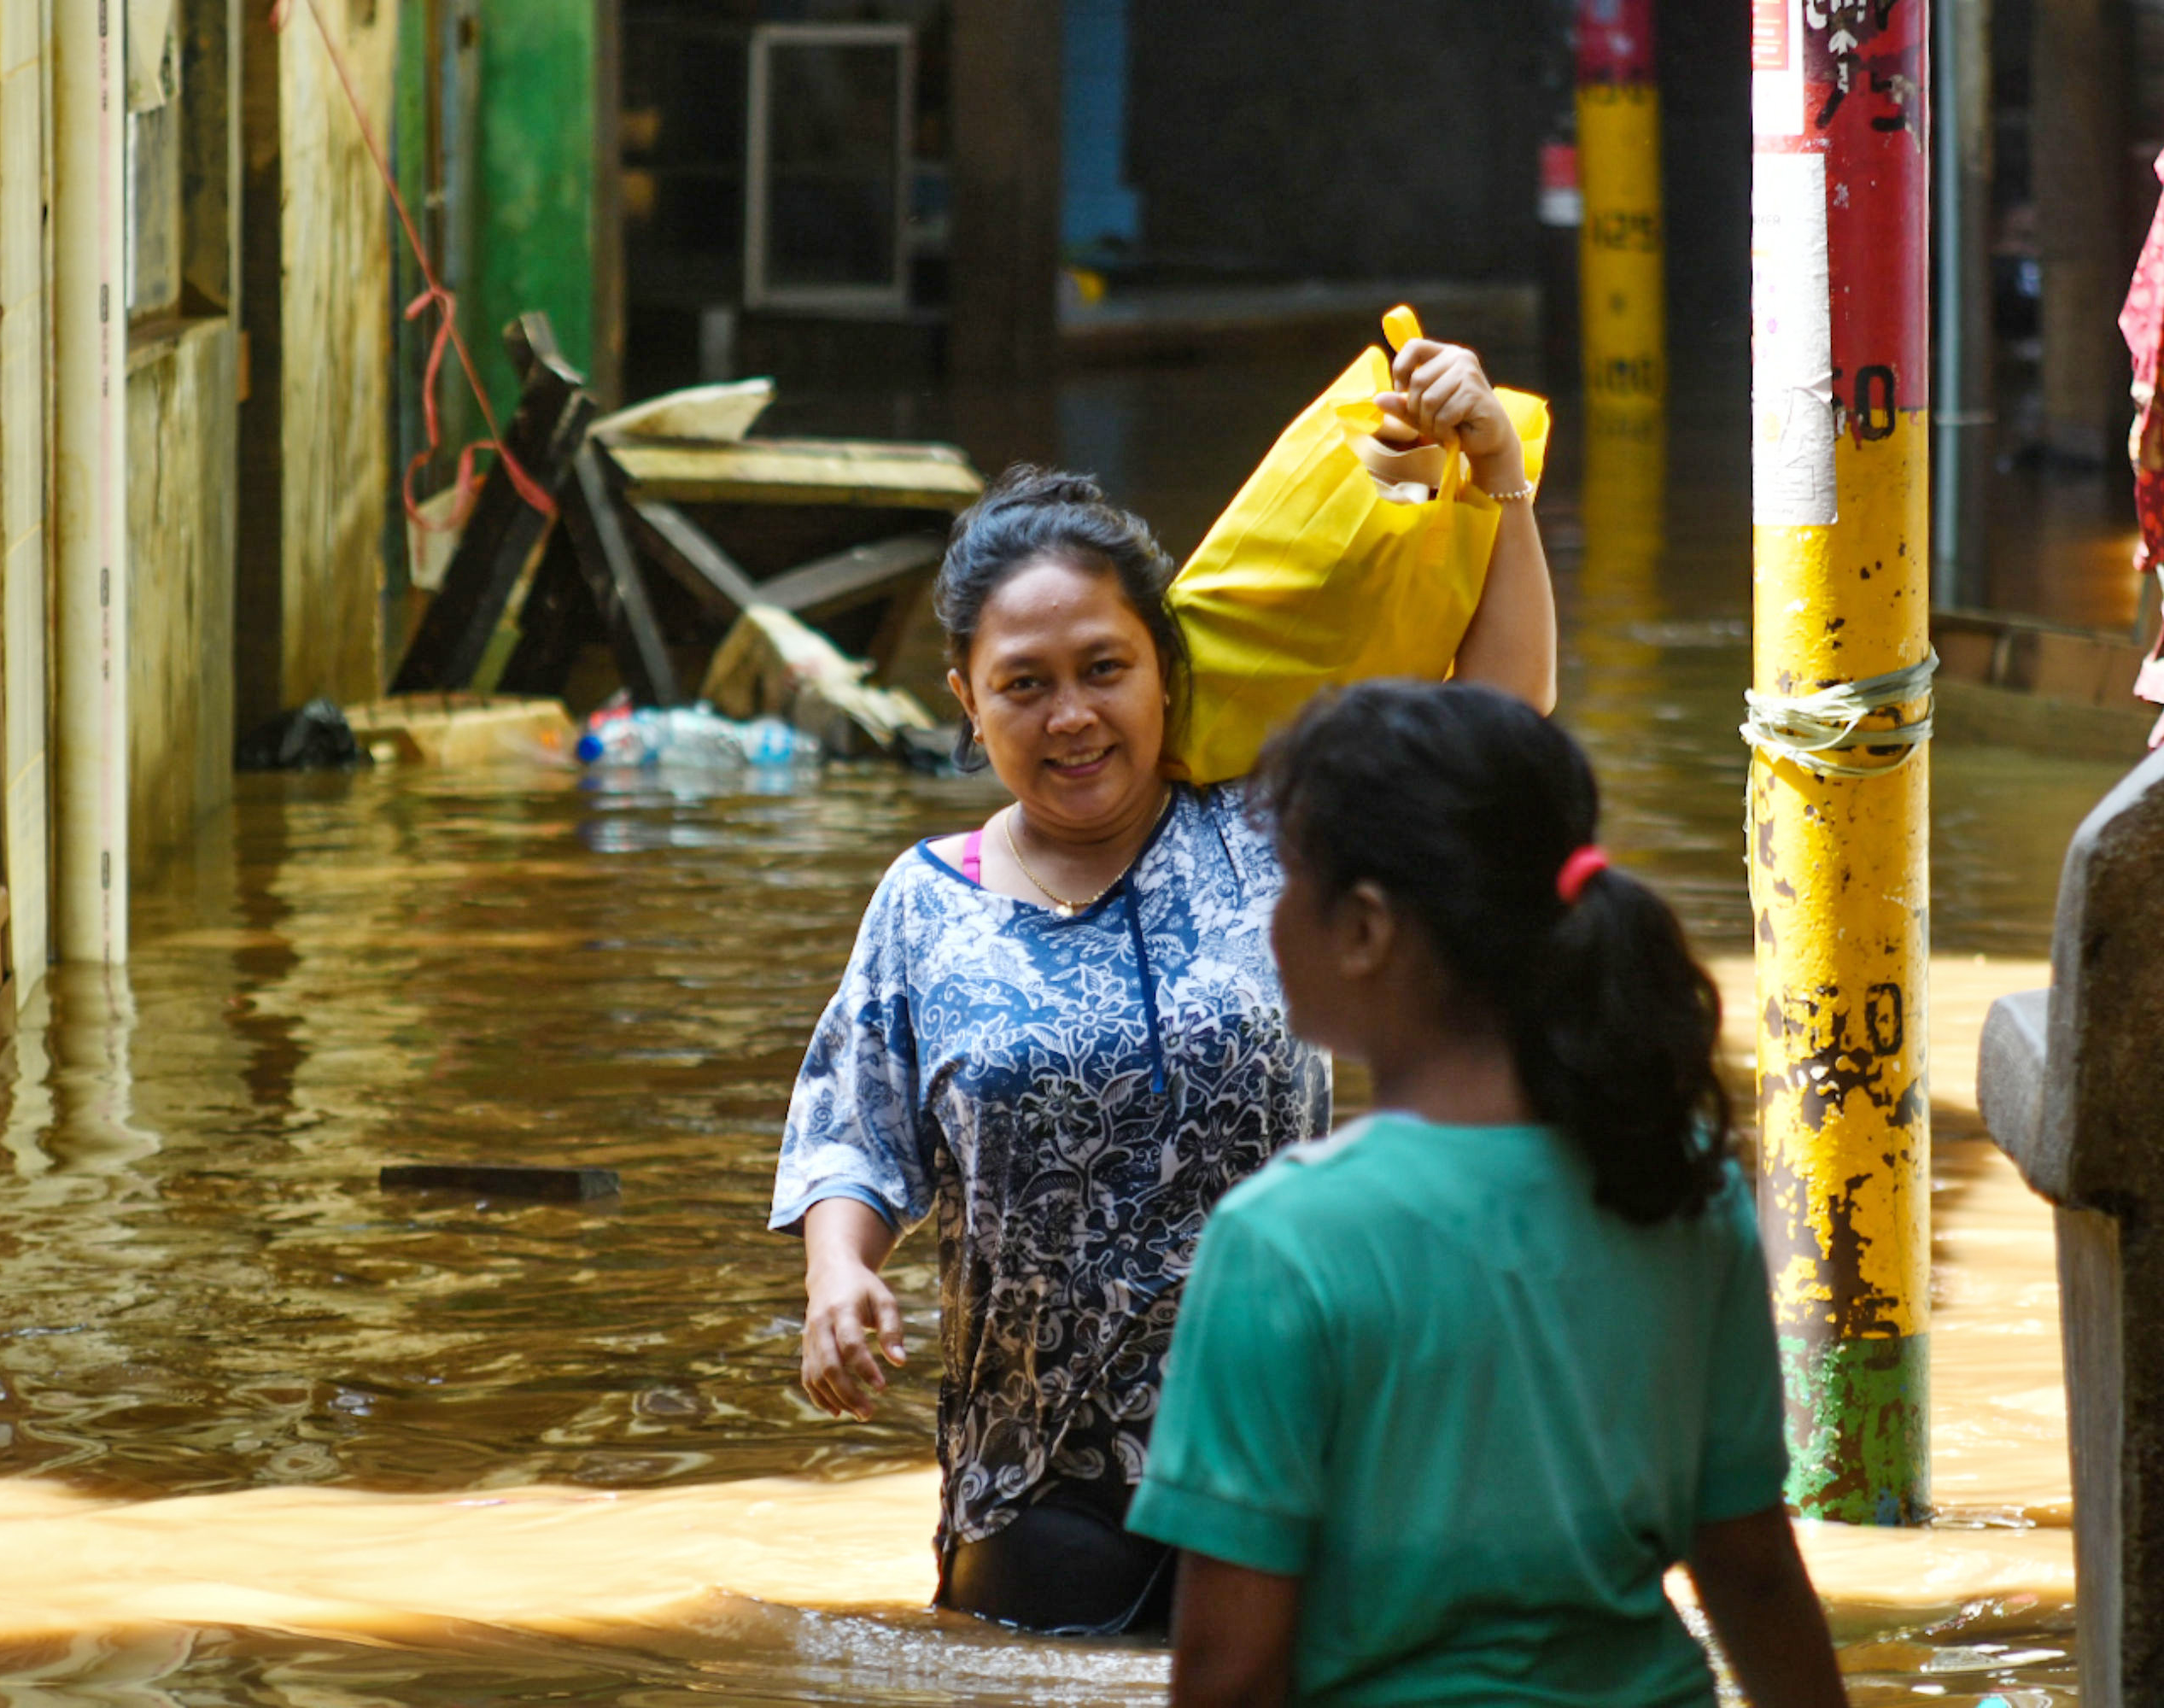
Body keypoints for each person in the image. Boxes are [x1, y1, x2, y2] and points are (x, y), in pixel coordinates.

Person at [769, 339, 1557, 1635]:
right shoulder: (928, 902)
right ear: (969, 703)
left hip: (1292, 1472)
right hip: (1036, 1497)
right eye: (1025, 686)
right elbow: (855, 1130)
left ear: (1165, 671)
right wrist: (836, 1278)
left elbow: (1503, 729)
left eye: (1103, 668)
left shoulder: (1270, 838)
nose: (1070, 716)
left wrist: (1500, 480)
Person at [1125, 681, 1846, 1708]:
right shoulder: (1678, 1176)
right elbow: (1754, 1568)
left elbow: (1229, 1668)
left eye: (1288, 880)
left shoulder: (1283, 1239)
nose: (1270, 919)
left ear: (1366, 927)